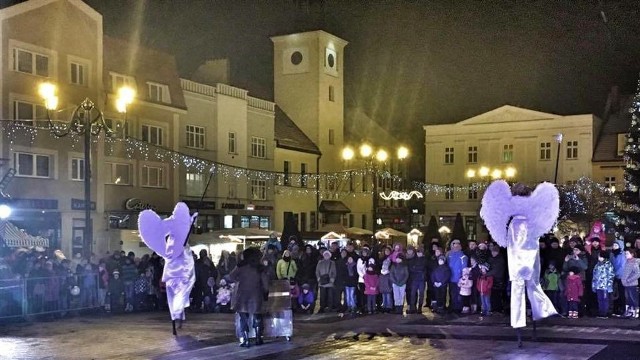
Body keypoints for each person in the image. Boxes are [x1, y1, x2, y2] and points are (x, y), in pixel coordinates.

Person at [480, 181, 559, 330]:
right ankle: (541, 310)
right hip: (530, 233)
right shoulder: (532, 204)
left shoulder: (510, 204)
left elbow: (497, 213)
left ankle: (517, 320)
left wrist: (502, 237)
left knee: (517, 282)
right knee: (533, 279)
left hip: (515, 231)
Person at [229, 247, 269, 347]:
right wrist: (265, 293)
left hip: (242, 296)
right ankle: (258, 338)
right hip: (256, 296)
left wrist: (239, 279)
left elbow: (231, 276)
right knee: (257, 317)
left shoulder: (240, 266)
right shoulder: (260, 268)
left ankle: (246, 340)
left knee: (243, 318)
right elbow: (265, 284)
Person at [446, 239, 468, 313]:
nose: (455, 247)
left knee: (459, 293)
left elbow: (464, 268)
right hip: (451, 278)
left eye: (457, 245)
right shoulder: (449, 255)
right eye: (454, 245)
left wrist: (462, 277)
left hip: (459, 278)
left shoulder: (463, 256)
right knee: (452, 293)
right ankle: (452, 306)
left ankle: (458, 307)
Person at [592, 252, 614, 319]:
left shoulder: (608, 265)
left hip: (605, 286)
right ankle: (601, 312)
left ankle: (605, 313)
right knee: (600, 299)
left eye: (600, 256)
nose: (599, 258)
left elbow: (611, 276)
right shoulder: (597, 265)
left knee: (605, 299)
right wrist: (593, 285)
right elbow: (594, 276)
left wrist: (609, 286)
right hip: (598, 286)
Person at [621, 249, 640, 318]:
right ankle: (630, 311)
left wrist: (629, 280)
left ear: (632, 254)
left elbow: (638, 273)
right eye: (625, 254)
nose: (626, 255)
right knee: (628, 298)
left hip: (632, 284)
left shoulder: (634, 263)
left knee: (633, 298)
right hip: (626, 284)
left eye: (627, 254)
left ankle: (636, 312)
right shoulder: (627, 262)